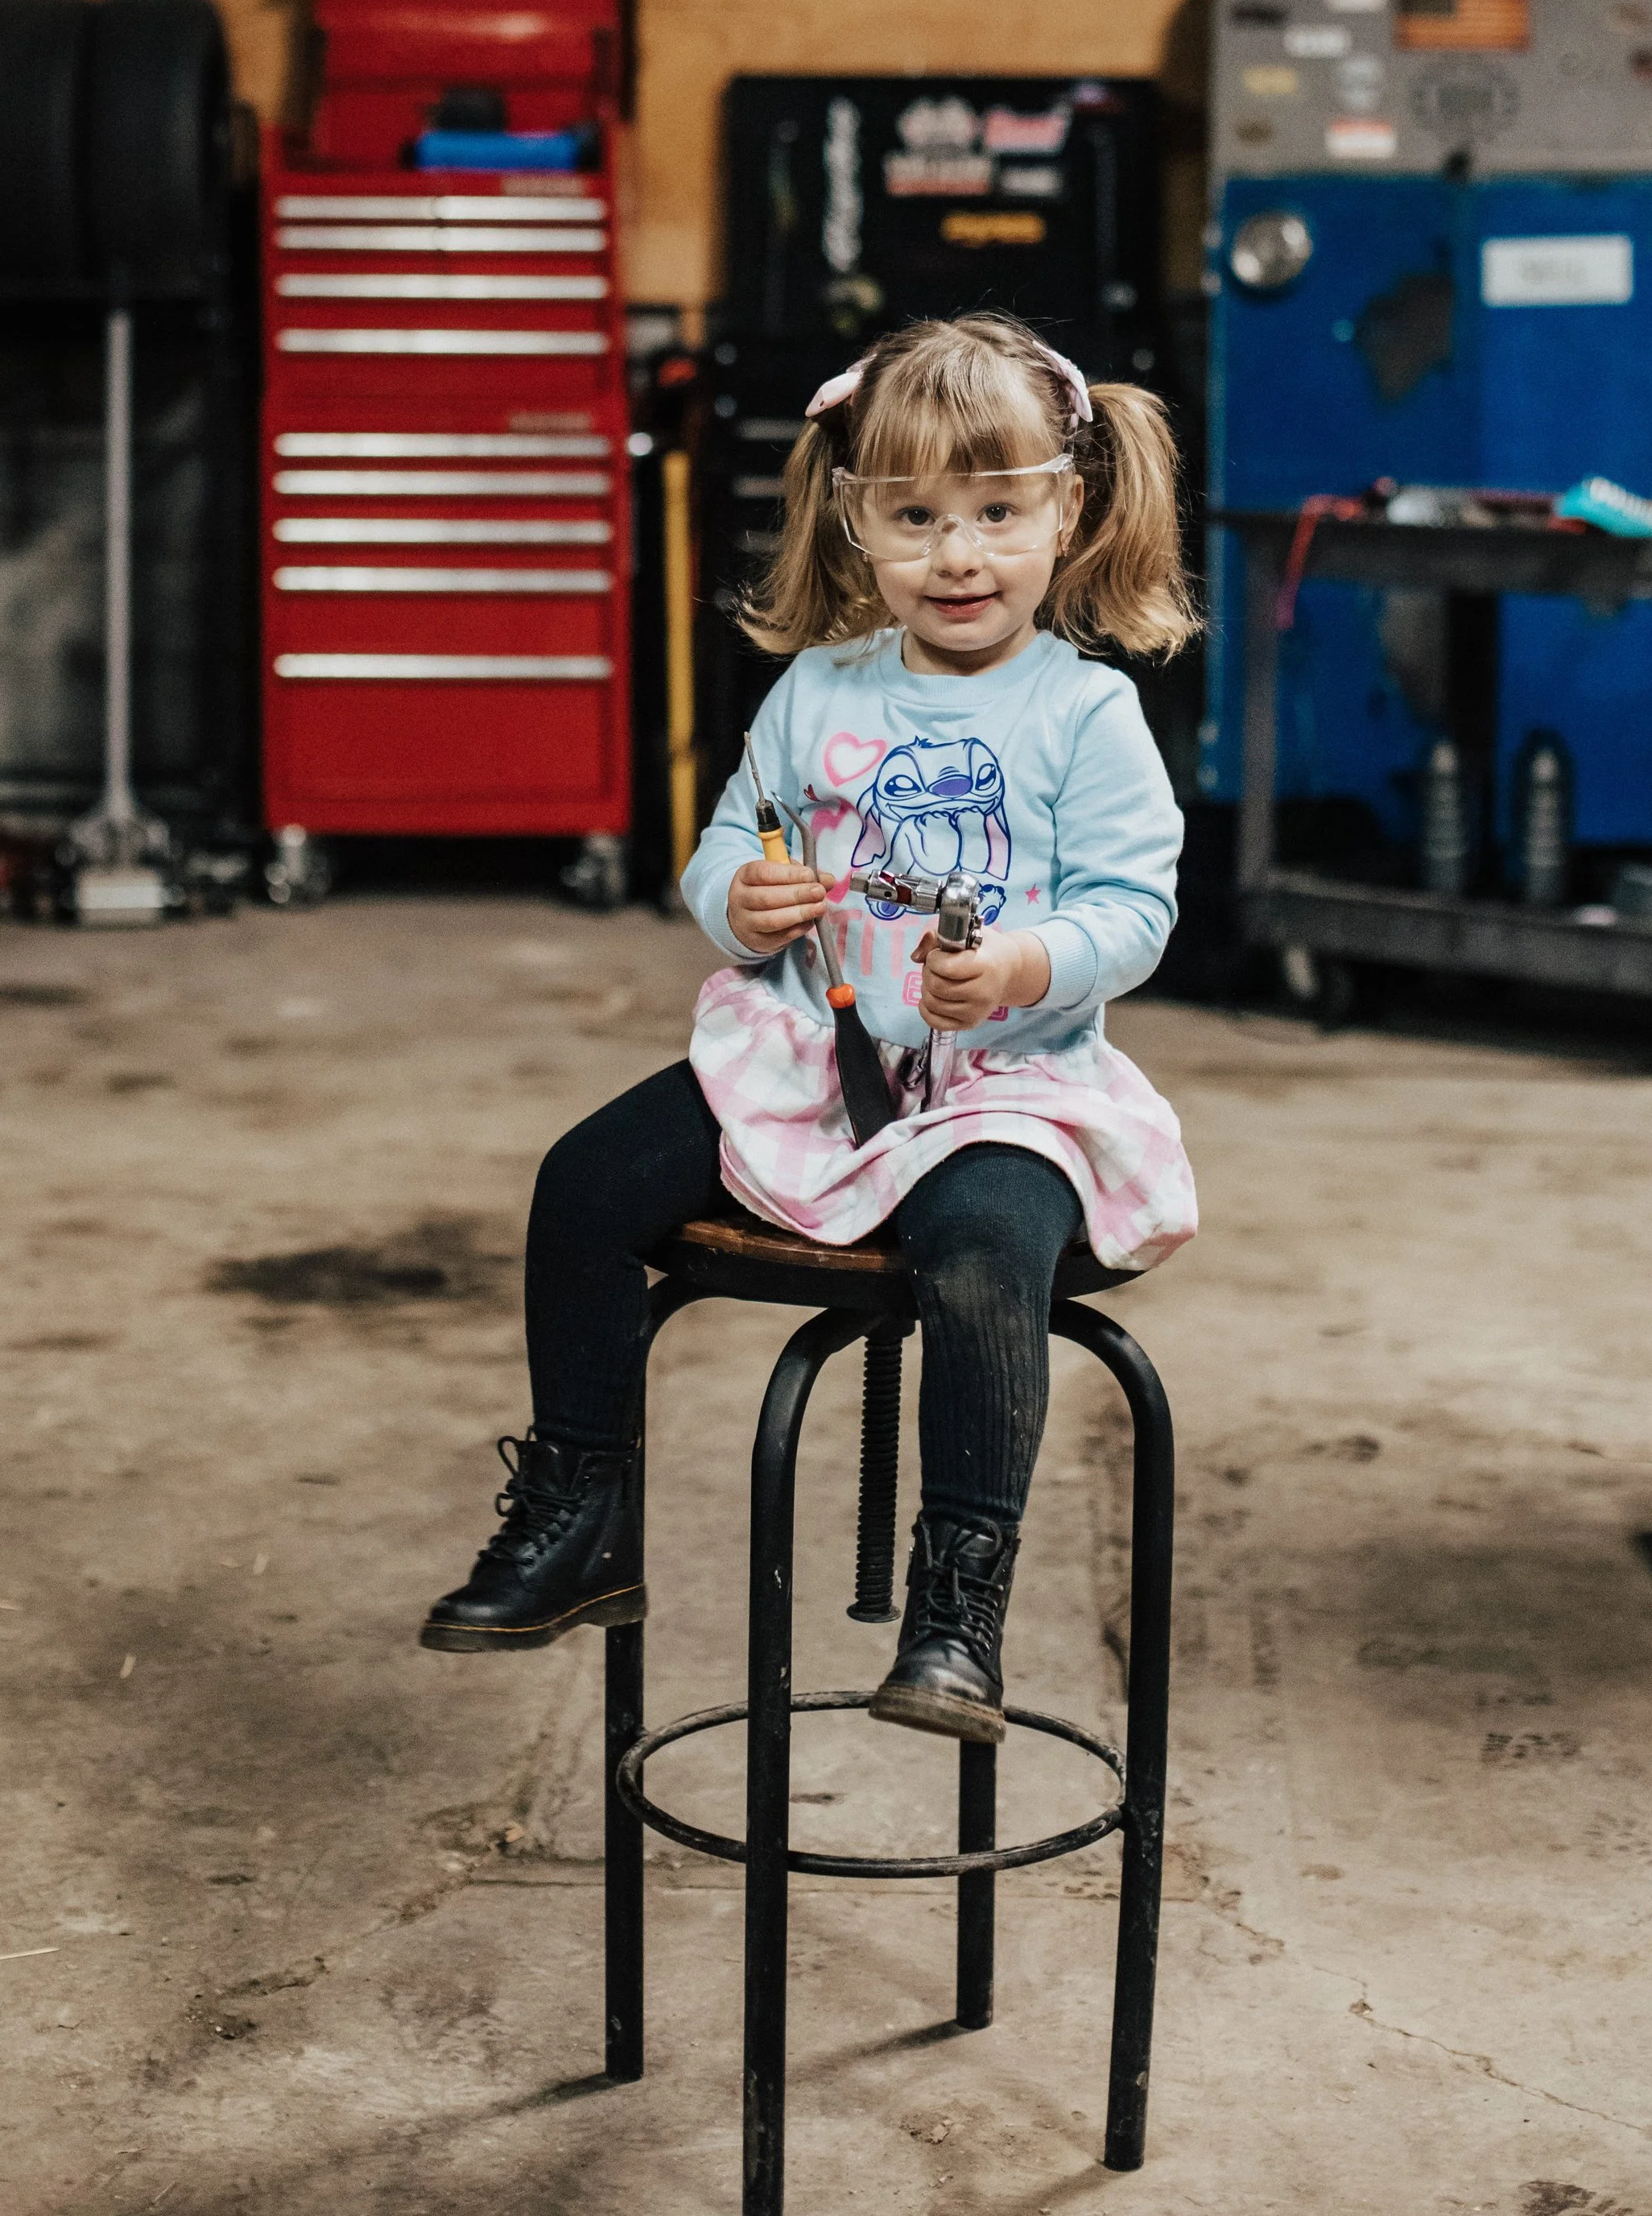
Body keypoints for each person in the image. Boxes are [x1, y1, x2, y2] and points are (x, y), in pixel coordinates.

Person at [421, 311, 1200, 1743]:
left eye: (994, 513)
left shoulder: (1086, 713)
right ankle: (587, 1513)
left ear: (1066, 510)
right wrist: (748, 898)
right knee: (582, 1187)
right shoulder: (818, 690)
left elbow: (1134, 911)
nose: (956, 554)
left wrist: (1030, 960)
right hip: (803, 1059)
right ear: (856, 522)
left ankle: (958, 1604)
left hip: (1000, 1086)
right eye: (915, 517)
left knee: (983, 1258)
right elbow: (722, 851)